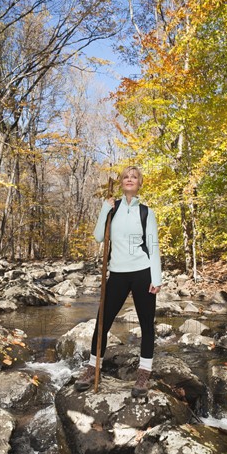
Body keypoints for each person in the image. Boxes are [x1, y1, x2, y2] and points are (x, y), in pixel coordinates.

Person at [74, 166, 162, 397]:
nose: (129, 180)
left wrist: (157, 277)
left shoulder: (146, 212)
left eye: (134, 177)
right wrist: (104, 209)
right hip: (117, 273)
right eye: (126, 177)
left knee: (146, 325)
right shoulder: (113, 208)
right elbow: (98, 236)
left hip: (142, 272)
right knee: (103, 320)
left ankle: (144, 374)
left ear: (139, 183)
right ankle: (93, 368)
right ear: (122, 183)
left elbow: (153, 246)